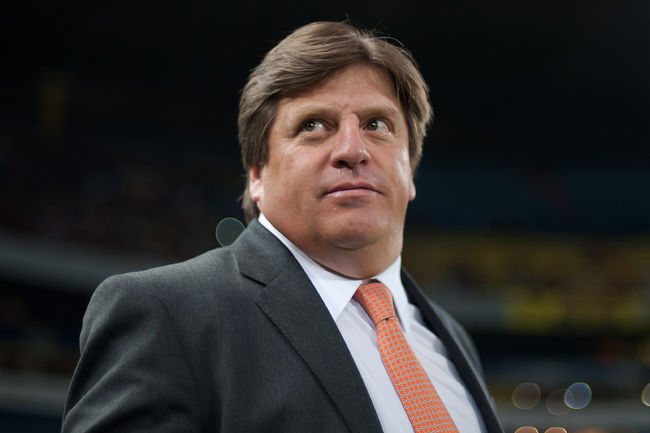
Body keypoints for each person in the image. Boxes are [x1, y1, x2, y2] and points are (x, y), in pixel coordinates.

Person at [62, 21, 504, 433]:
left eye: (377, 124)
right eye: (314, 125)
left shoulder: (452, 340)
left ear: (410, 170)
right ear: (257, 173)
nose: (353, 149)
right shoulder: (165, 315)